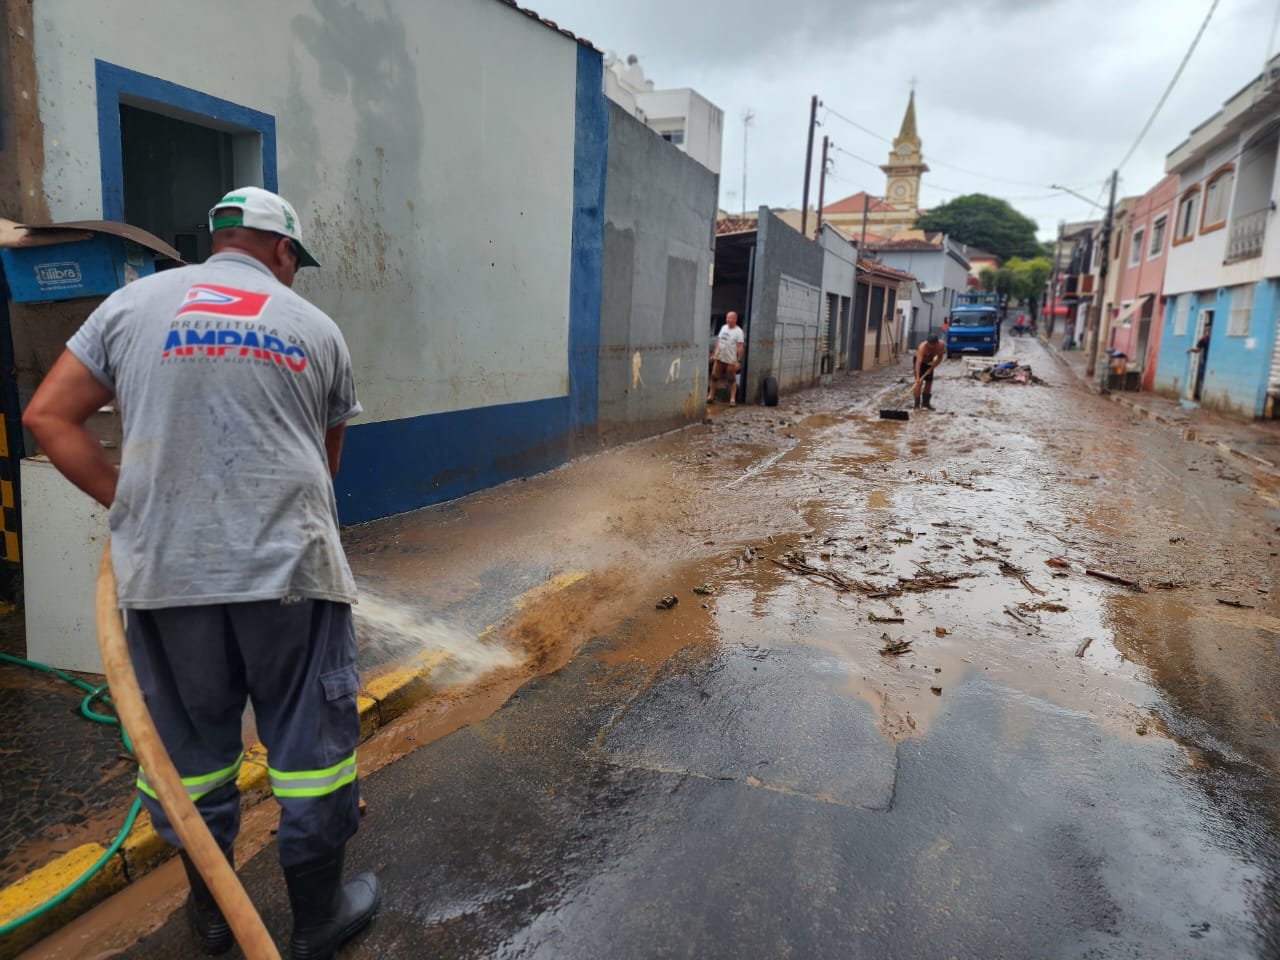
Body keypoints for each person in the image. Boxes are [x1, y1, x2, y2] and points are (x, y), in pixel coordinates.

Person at [23, 187, 379, 958]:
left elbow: (46, 416)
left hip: (166, 576)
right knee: (311, 751)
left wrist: (133, 501)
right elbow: (323, 472)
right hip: (290, 573)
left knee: (189, 748)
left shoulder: (130, 306)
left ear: (216, 242)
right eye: (295, 261)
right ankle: (319, 918)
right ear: (282, 251)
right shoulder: (314, 327)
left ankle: (215, 914)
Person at [707, 311, 746, 406]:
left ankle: (732, 399)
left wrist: (738, 360)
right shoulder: (723, 327)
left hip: (730, 360)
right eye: (727, 318)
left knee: (731, 380)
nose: (728, 320)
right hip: (719, 358)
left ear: (735, 320)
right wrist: (713, 354)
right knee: (714, 377)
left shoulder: (739, 331)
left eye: (730, 318)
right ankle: (710, 396)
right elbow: (718, 341)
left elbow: (740, 347)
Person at [913, 333, 946, 410]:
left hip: (930, 363)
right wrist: (918, 377)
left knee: (929, 382)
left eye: (933, 345)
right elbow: (918, 363)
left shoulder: (941, 345)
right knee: (919, 383)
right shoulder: (922, 347)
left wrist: (931, 368)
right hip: (920, 363)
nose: (931, 346)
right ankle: (917, 405)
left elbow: (939, 358)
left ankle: (925, 404)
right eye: (929, 344)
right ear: (927, 342)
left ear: (937, 343)